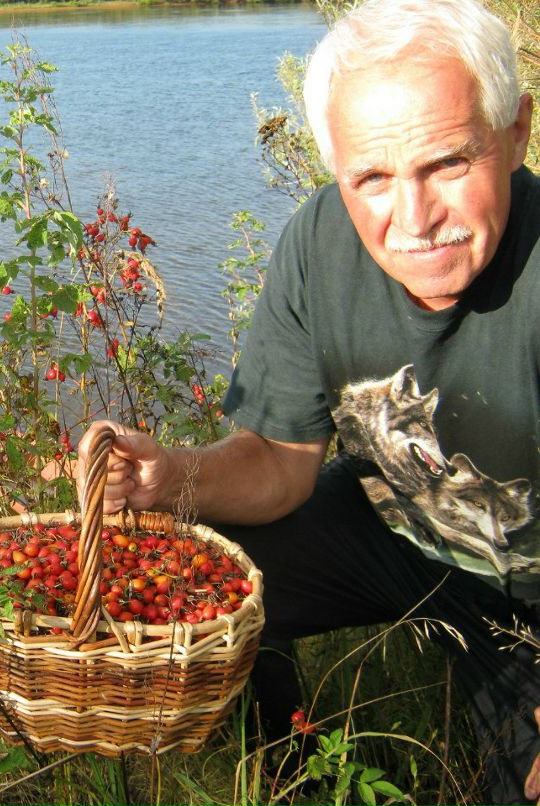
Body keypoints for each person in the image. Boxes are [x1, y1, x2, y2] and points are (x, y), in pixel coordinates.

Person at [76, 0, 539, 803]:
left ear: (517, 134)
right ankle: (293, 768)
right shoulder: (317, 242)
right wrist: (168, 477)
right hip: (398, 534)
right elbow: (278, 463)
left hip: (525, 610)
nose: (414, 218)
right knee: (205, 574)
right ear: (336, 169)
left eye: (449, 164)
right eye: (372, 178)